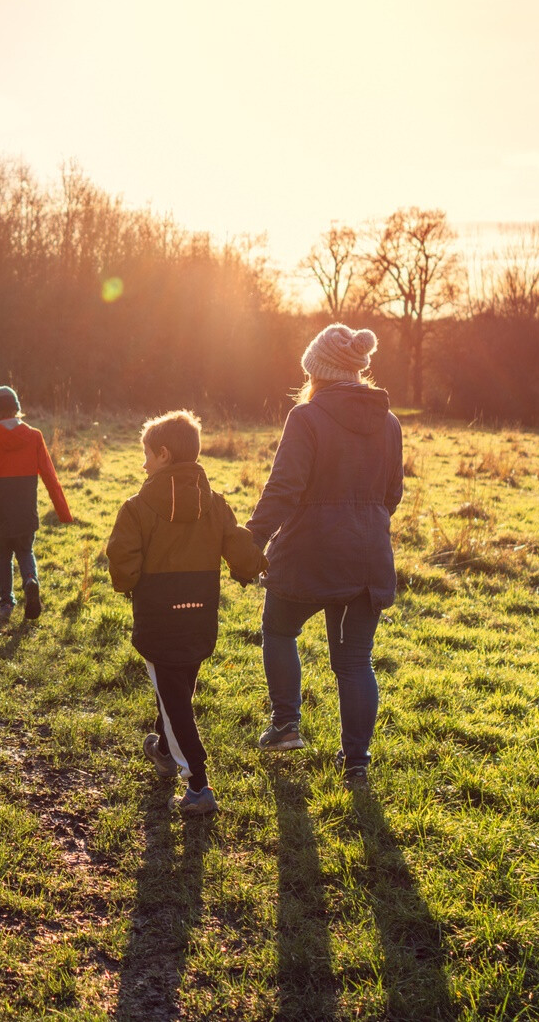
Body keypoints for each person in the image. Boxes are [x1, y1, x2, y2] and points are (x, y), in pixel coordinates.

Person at [245, 324, 403, 789]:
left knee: (278, 629)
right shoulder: (389, 422)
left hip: (309, 553)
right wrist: (365, 525)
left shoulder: (306, 416)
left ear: (317, 371)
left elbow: (284, 488)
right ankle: (356, 763)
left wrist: (252, 539)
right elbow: (391, 494)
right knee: (355, 660)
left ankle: (286, 725)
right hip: (369, 556)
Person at [105, 410, 266, 816]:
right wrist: (256, 568)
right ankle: (162, 750)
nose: (143, 463)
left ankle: (198, 784)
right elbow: (239, 547)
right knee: (177, 689)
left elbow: (122, 562)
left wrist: (127, 583)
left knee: (175, 700)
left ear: (163, 454)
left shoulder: (137, 507)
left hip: (159, 618)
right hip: (200, 615)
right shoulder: (215, 505)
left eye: (146, 454)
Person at [0, 385, 73, 623]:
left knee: (3, 556)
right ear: (16, 409)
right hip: (26, 512)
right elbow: (50, 477)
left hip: (1, 514)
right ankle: (29, 580)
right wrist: (64, 513)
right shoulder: (34, 436)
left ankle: (5, 603)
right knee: (26, 551)